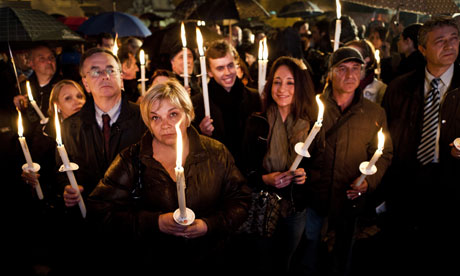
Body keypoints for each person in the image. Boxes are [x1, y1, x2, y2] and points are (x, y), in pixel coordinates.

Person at [87, 79, 251, 275]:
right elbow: (100, 209)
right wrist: (155, 222)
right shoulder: (132, 158)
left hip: (210, 261)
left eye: (173, 114)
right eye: (155, 117)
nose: (165, 125)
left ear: (188, 115)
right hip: (152, 264)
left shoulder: (215, 152)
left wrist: (209, 225)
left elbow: (240, 199)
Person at [381, 16, 460, 274]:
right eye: (440, 41)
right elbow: (384, 139)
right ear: (423, 48)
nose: (449, 46)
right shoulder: (399, 87)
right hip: (407, 186)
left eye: (454, 39)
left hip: (450, 189)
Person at [304, 47, 393, 275]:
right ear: (331, 73)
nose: (349, 75)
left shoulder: (374, 113)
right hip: (315, 196)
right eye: (342, 69)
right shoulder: (312, 107)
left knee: (343, 255)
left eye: (355, 69)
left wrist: (368, 182)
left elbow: (383, 154)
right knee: (309, 251)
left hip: (349, 199)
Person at [238, 56, 316, 274]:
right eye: (277, 81)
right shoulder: (257, 121)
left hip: (295, 208)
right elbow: (242, 168)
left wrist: (304, 175)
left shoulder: (310, 123)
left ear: (299, 86)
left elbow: (318, 165)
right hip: (263, 206)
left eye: (290, 82)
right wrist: (264, 178)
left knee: (286, 261)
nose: (283, 89)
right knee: (262, 261)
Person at [59, 47, 146, 212]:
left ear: (121, 78)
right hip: (89, 213)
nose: (105, 76)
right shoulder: (69, 127)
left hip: (135, 214)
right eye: (95, 72)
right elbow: (62, 169)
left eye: (110, 70)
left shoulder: (145, 119)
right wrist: (67, 188)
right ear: (86, 83)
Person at [191, 39, 261, 167]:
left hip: (251, 169)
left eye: (230, 65)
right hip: (217, 171)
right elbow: (191, 148)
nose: (227, 73)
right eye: (220, 68)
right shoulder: (197, 104)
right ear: (210, 72)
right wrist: (200, 133)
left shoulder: (254, 97)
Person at [346, 39, 387, 104]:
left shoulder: (380, 89)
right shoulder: (339, 84)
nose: (346, 60)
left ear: (366, 61)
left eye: (353, 56)